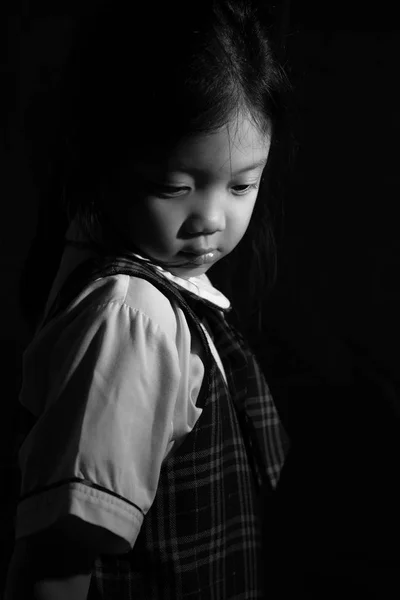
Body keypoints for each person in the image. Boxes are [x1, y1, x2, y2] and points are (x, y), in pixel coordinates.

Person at [5, 1, 291, 598]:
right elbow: (57, 562)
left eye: (243, 184)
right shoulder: (132, 318)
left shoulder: (159, 297)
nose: (211, 219)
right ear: (104, 160)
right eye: (174, 187)